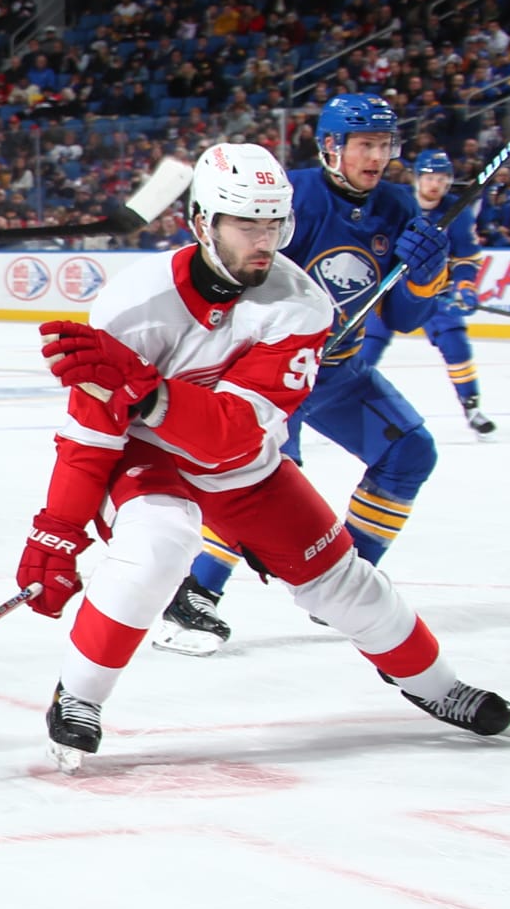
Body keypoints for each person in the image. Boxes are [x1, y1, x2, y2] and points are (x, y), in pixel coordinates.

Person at [17, 143, 510, 772]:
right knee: (160, 543)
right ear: (203, 223)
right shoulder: (130, 306)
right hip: (151, 460)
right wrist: (56, 535)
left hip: (240, 465)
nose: (265, 241)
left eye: (275, 224)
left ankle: (438, 686)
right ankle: (80, 695)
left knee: (345, 582)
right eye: (247, 225)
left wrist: (145, 390)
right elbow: (92, 441)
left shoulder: (300, 305)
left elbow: (233, 436)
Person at [155, 93, 449, 656]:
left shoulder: (395, 206)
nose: (376, 156)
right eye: (365, 143)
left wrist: (426, 274)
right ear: (331, 146)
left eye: (385, 144)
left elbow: (407, 318)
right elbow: (237, 276)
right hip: (274, 372)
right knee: (264, 484)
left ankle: (346, 584)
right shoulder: (292, 199)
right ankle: (195, 593)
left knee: (411, 450)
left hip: (338, 374)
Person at [357, 150, 496, 439]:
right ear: (417, 178)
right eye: (430, 177)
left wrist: (465, 284)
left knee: (454, 341)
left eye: (442, 178)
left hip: (433, 290)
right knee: (367, 348)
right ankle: (336, 403)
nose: (435, 184)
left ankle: (472, 407)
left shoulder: (457, 211)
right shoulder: (396, 202)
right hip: (391, 290)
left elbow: (466, 256)